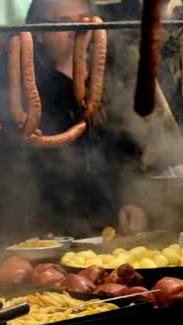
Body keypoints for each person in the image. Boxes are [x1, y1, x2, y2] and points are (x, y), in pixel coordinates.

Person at [22, 0, 147, 236]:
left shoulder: (112, 85)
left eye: (84, 20)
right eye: (64, 23)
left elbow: (131, 157)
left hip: (114, 231)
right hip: (52, 232)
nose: (78, 30)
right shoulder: (28, 93)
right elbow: (27, 172)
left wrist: (133, 202)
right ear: (39, 34)